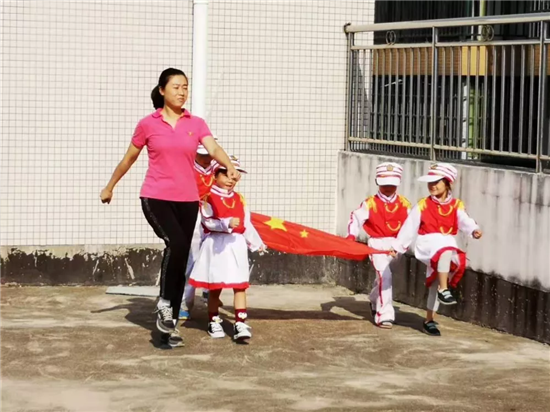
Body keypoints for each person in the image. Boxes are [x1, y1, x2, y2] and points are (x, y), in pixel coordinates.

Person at [100, 68, 239, 348]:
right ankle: (165, 304)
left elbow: (213, 149)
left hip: (187, 200)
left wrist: (229, 165)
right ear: (162, 90)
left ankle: (169, 327)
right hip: (156, 197)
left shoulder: (196, 123)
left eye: (185, 87)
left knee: (180, 254)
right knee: (176, 243)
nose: (182, 92)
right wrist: (110, 186)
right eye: (176, 86)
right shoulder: (147, 124)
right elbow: (129, 158)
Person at [390, 163, 482, 336]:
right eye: (430, 182)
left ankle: (429, 320)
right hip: (427, 243)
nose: (432, 185)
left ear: (447, 183)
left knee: (435, 281)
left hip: (446, 243)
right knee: (445, 251)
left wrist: (473, 229)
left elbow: (464, 220)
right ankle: (444, 289)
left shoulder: (456, 205)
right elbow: (409, 227)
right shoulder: (423, 204)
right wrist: (397, 247)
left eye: (436, 182)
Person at [189, 156, 266, 341]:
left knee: (240, 286)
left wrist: (256, 242)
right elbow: (208, 222)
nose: (231, 179)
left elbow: (246, 224)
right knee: (215, 286)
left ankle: (240, 322)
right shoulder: (208, 196)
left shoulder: (239, 198)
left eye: (235, 175)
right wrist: (226, 223)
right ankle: (213, 320)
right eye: (226, 174)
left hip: (236, 245)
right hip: (217, 245)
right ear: (215, 175)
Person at [346, 162, 410, 329]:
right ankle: (384, 315)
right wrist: (351, 236)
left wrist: (402, 245)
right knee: (385, 276)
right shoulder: (370, 203)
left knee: (383, 277)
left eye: (391, 184)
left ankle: (375, 299)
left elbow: (411, 227)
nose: (388, 188)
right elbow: (355, 218)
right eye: (384, 184)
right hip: (377, 244)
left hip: (396, 244)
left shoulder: (405, 204)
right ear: (377, 182)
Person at [180, 141, 217, 320]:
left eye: (209, 154)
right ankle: (185, 303)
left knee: (215, 255)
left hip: (215, 216)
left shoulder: (218, 167)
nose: (206, 158)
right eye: (202, 155)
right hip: (193, 215)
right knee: (192, 259)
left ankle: (211, 290)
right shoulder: (185, 167)